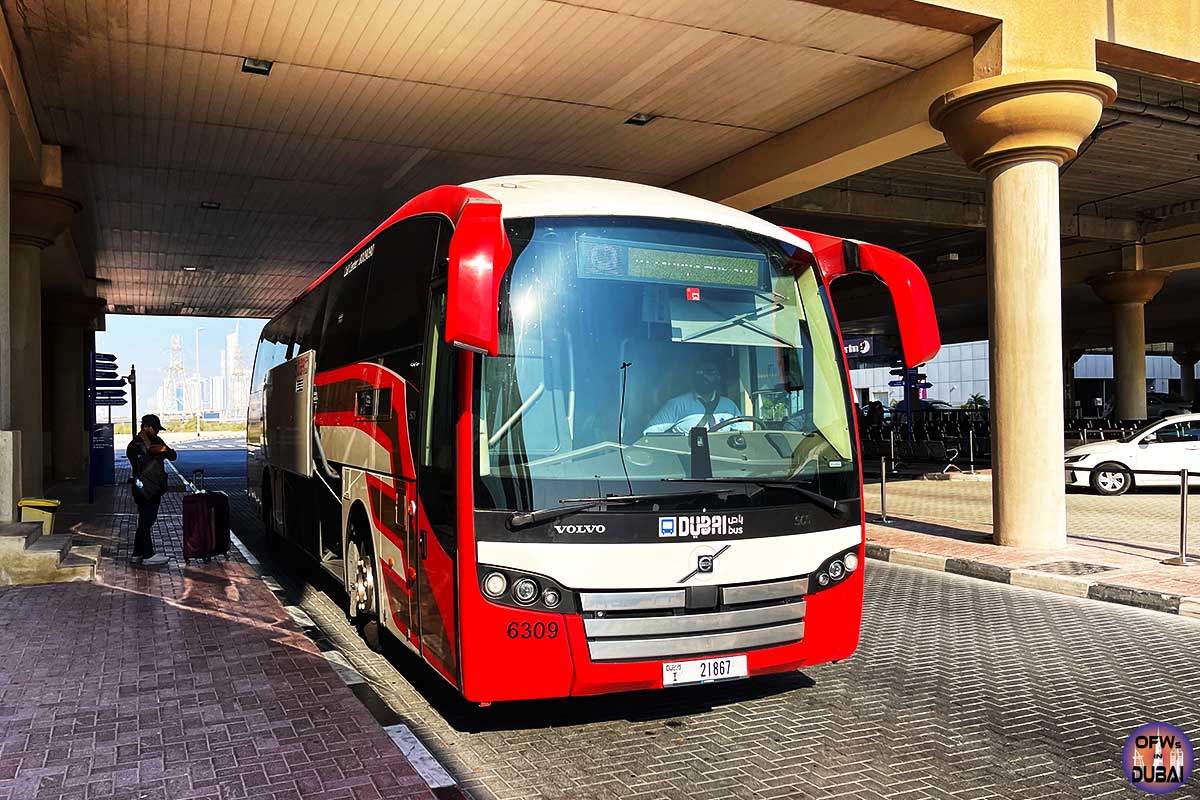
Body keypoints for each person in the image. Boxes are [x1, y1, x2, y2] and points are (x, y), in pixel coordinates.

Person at [126, 414, 177, 566]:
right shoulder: (134, 445)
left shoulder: (157, 441)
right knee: (146, 520)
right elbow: (138, 465)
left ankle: (137, 553)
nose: (157, 432)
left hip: (155, 487)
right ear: (146, 427)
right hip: (142, 487)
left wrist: (164, 450)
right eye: (155, 429)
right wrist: (151, 452)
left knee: (147, 519)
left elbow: (173, 455)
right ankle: (148, 554)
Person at [644, 359, 745, 433]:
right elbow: (650, 432)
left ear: (718, 377)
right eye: (699, 373)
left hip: (723, 459)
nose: (703, 376)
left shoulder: (728, 405)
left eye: (709, 372)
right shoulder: (677, 404)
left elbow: (746, 434)